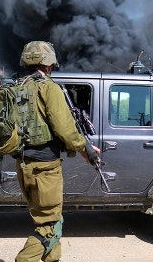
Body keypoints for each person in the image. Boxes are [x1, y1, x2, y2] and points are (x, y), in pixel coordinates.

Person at [14, 41, 101, 262]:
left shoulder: (17, 87)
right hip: (45, 169)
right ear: (48, 63)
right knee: (48, 227)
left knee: (50, 220)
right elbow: (65, 129)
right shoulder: (48, 87)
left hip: (24, 165)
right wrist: (86, 148)